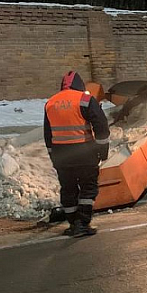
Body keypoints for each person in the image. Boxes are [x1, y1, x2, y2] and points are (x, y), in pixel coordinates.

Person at [44, 71, 110, 237]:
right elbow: (101, 126)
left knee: (68, 189)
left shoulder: (51, 103)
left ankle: (73, 223)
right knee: (88, 188)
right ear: (80, 85)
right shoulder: (85, 100)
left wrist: (53, 155)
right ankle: (83, 223)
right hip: (84, 153)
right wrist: (102, 150)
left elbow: (48, 134)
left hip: (62, 156)